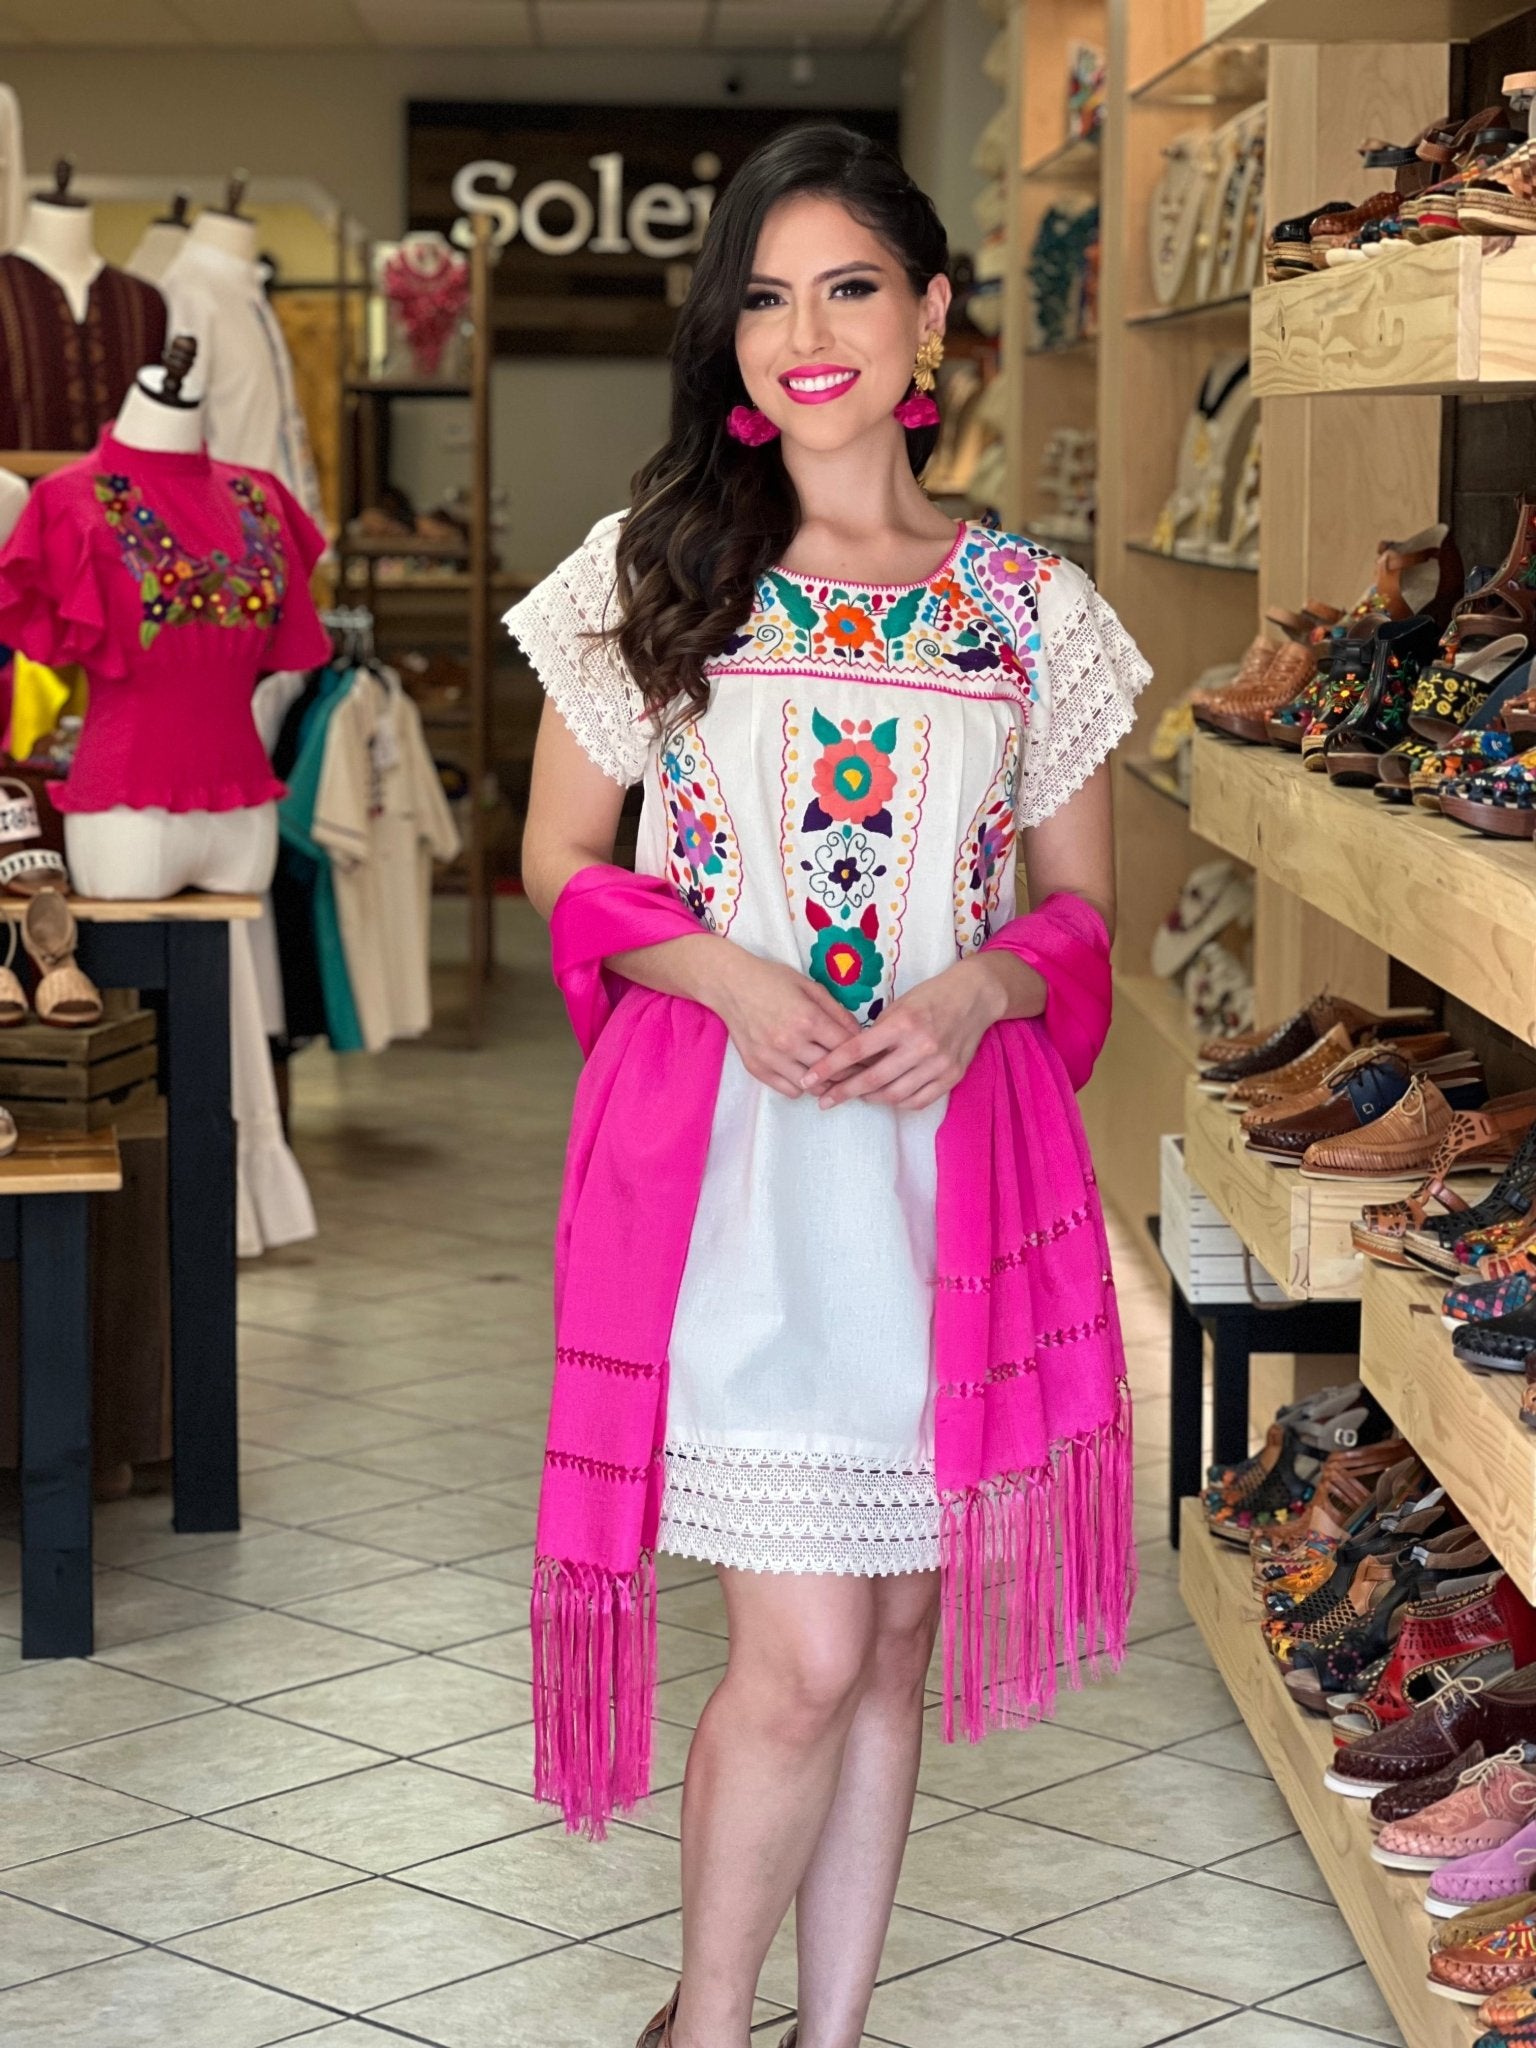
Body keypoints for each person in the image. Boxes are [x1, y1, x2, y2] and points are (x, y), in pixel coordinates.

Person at [508, 121, 1149, 2048]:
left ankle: (833, 2031)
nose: (808, 334)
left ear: (930, 312)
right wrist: (711, 964)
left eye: (849, 286)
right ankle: (709, 2030)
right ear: (729, 338)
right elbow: (559, 864)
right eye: (767, 297)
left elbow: (1084, 915)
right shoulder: (654, 573)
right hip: (735, 1192)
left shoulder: (1033, 612)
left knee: (890, 1644)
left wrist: (976, 996)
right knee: (793, 1654)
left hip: (941, 1194)